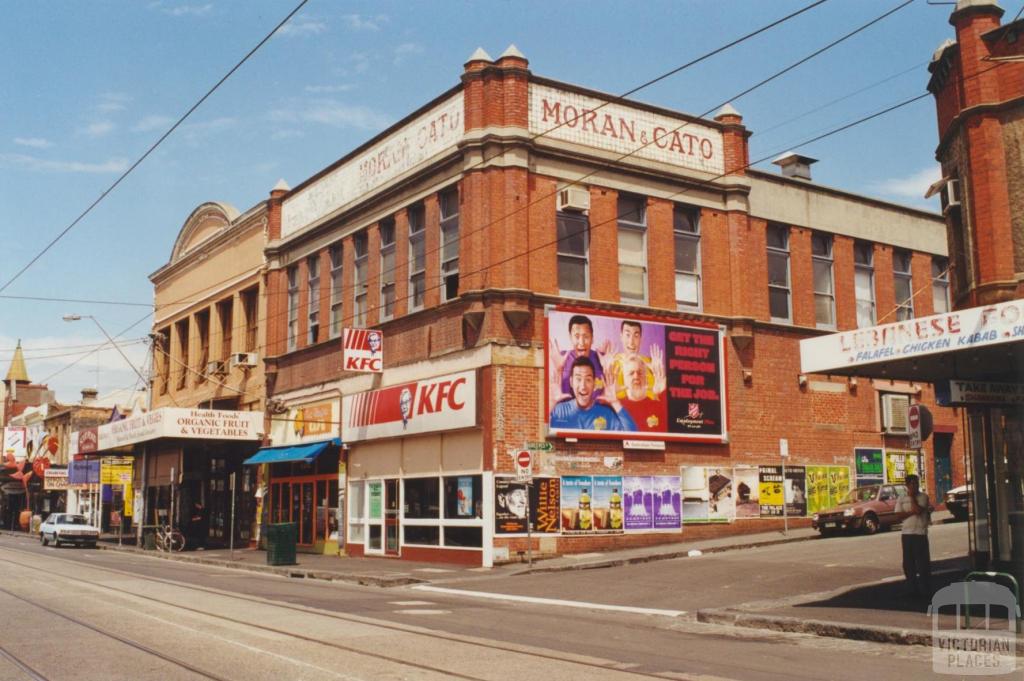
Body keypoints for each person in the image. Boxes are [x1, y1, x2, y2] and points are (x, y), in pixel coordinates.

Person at [550, 356, 637, 431]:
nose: (583, 386)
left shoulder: (606, 414)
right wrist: (551, 403)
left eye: (588, 379)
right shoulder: (558, 411)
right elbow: (540, 431)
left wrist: (615, 402)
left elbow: (632, 434)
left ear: (594, 383)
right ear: (571, 382)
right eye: (578, 379)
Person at [549, 315, 610, 404]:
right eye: (577, 336)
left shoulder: (602, 359)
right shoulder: (560, 358)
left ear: (592, 338)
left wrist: (607, 369)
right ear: (570, 337)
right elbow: (552, 398)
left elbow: (609, 398)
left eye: (586, 337)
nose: (581, 343)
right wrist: (558, 369)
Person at [894, 474, 932, 597]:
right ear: (907, 485)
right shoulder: (901, 498)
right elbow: (899, 515)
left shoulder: (923, 497)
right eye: (911, 484)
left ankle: (925, 589)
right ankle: (912, 588)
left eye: (916, 483)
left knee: (922, 564)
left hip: (920, 533)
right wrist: (910, 512)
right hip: (907, 534)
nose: (914, 486)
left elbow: (919, 510)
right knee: (908, 563)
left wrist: (912, 499)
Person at [608, 320, 666, 399]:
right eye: (627, 335)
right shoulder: (611, 364)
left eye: (636, 336)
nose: (631, 342)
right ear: (621, 336)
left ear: (640, 338)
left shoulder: (652, 365)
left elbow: (658, 398)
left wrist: (662, 391)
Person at [619, 355, 665, 431]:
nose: (636, 377)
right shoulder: (616, 407)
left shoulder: (658, 405)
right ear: (624, 379)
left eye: (640, 373)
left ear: (646, 379)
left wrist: (663, 392)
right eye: (631, 373)